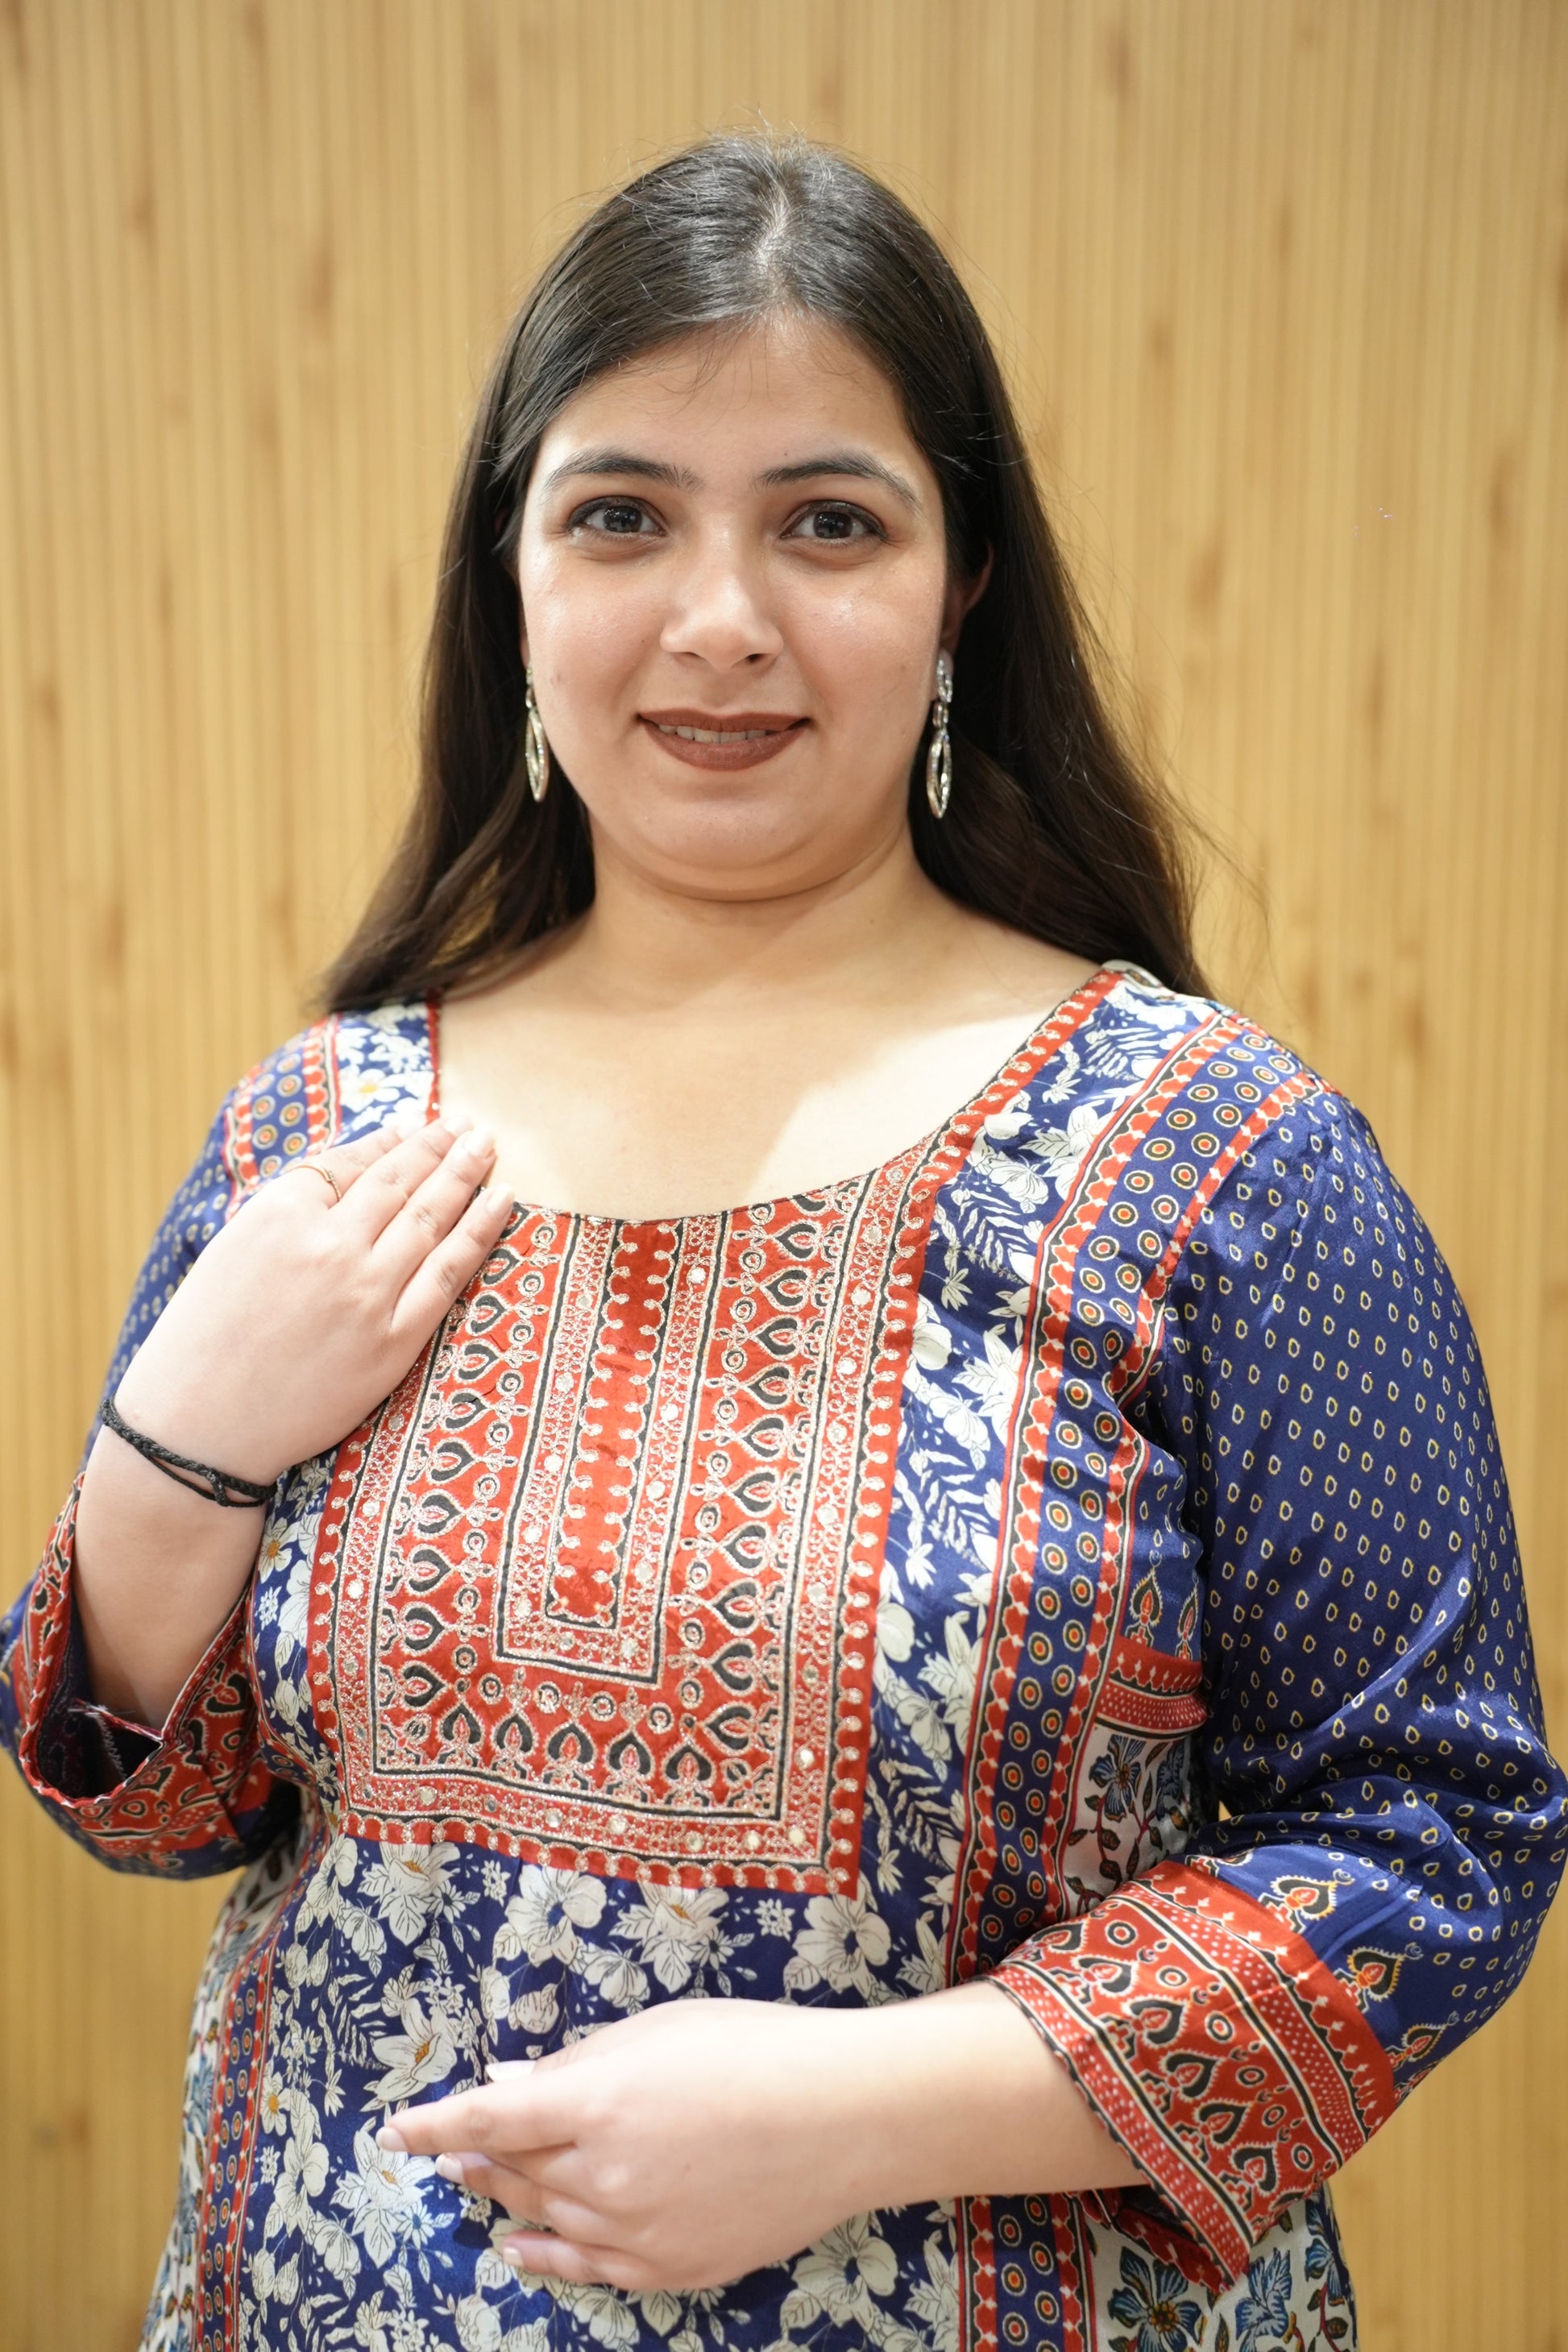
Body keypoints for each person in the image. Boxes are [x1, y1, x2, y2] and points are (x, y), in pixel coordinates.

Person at [2, 132, 1562, 2352]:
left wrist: (860, 2113)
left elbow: (1435, 1835)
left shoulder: (1223, 1164)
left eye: (828, 521)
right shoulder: (324, 1136)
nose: (720, 617)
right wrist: (176, 1447)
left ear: (961, 585)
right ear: (512, 575)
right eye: (621, 515)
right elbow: (161, 1813)